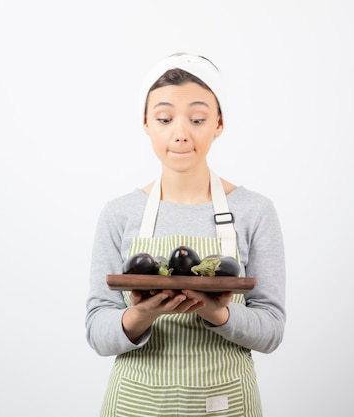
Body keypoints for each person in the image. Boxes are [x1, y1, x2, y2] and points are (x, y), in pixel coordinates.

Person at [86, 52, 286, 416]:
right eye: (164, 118)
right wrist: (140, 315)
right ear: (146, 123)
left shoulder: (255, 211)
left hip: (226, 404)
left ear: (219, 124)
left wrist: (219, 314)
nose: (180, 133)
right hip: (136, 404)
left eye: (197, 119)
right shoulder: (119, 213)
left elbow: (271, 330)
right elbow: (97, 330)